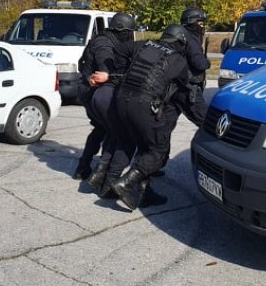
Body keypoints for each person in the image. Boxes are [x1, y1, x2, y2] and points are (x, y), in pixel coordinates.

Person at [108, 24, 191, 210]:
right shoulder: (178, 59)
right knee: (158, 151)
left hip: (121, 100)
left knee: (142, 145)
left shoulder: (144, 45)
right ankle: (126, 183)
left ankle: (144, 193)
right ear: (180, 42)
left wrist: (122, 71)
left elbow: (120, 49)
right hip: (143, 105)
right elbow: (183, 86)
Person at [73, 13, 136, 181]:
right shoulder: (105, 45)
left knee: (101, 129)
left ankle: (84, 167)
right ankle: (101, 172)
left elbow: (81, 63)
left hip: (88, 91)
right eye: (130, 31)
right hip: (94, 93)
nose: (131, 35)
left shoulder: (103, 38)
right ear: (122, 30)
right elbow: (105, 72)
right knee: (113, 131)